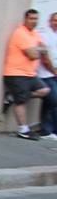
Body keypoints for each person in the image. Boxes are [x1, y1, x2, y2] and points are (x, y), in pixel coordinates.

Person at [2, 9, 50, 140]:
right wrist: (39, 50)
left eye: (36, 19)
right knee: (21, 101)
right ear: (25, 19)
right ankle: (23, 130)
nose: (34, 21)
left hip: (30, 74)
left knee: (45, 90)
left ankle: (12, 96)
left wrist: (38, 49)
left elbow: (44, 49)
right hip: (16, 73)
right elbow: (33, 55)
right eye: (31, 19)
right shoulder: (20, 33)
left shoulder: (34, 33)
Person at [34, 12, 57, 140]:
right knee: (52, 99)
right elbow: (45, 57)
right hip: (45, 73)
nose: (56, 23)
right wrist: (54, 71)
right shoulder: (44, 35)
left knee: (52, 101)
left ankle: (51, 130)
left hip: (53, 73)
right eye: (54, 20)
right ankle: (46, 130)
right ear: (50, 21)